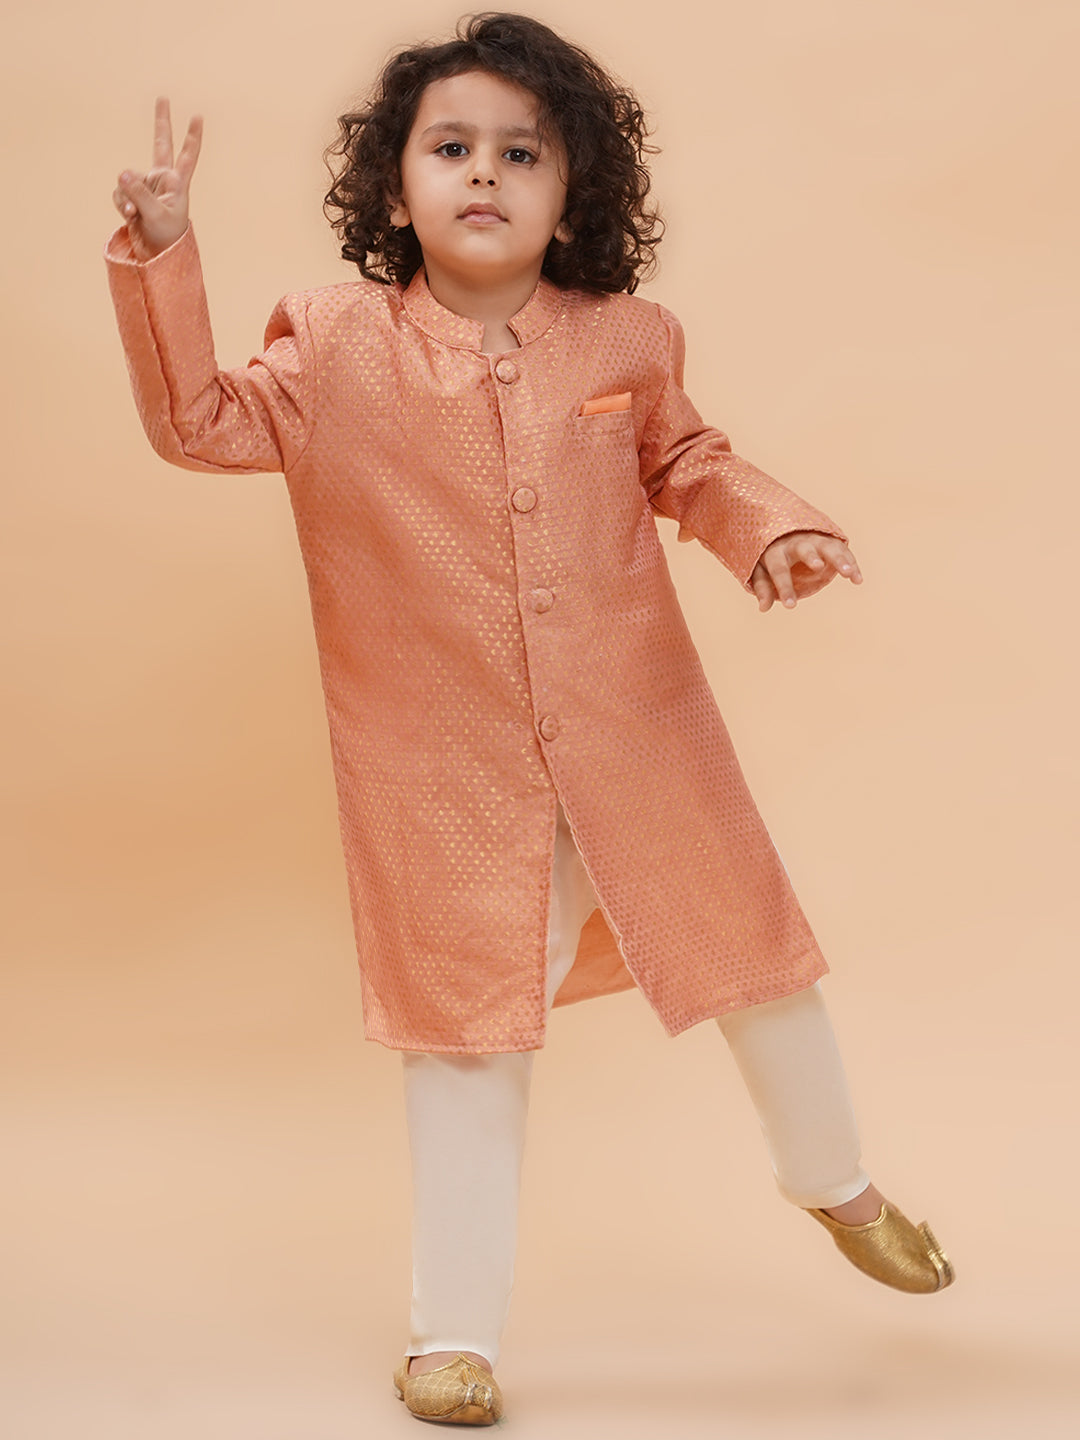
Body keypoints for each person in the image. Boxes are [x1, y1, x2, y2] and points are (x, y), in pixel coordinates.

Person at [105, 11, 954, 1427]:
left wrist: (770, 530)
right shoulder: (330, 345)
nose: (485, 173)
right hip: (442, 775)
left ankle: (836, 1183)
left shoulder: (627, 338)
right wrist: (161, 252)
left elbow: (690, 460)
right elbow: (199, 422)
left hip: (639, 736)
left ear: (572, 195)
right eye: (451, 148)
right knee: (464, 1035)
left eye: (523, 152)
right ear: (396, 191)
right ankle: (453, 1336)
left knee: (756, 962)